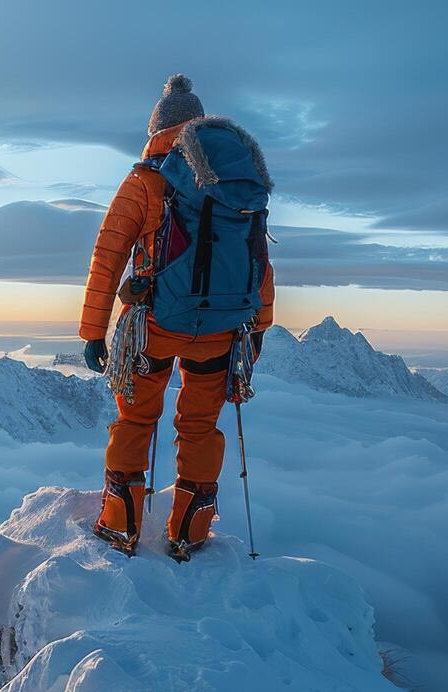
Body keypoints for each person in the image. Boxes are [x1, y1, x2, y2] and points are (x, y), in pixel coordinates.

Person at [79, 74, 275, 558]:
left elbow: (109, 255)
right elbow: (259, 262)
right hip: (221, 332)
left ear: (157, 130)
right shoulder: (234, 181)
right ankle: (189, 532)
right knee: (200, 427)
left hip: (154, 327)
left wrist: (92, 331)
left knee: (136, 419)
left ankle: (121, 525)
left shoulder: (145, 181)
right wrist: (259, 327)